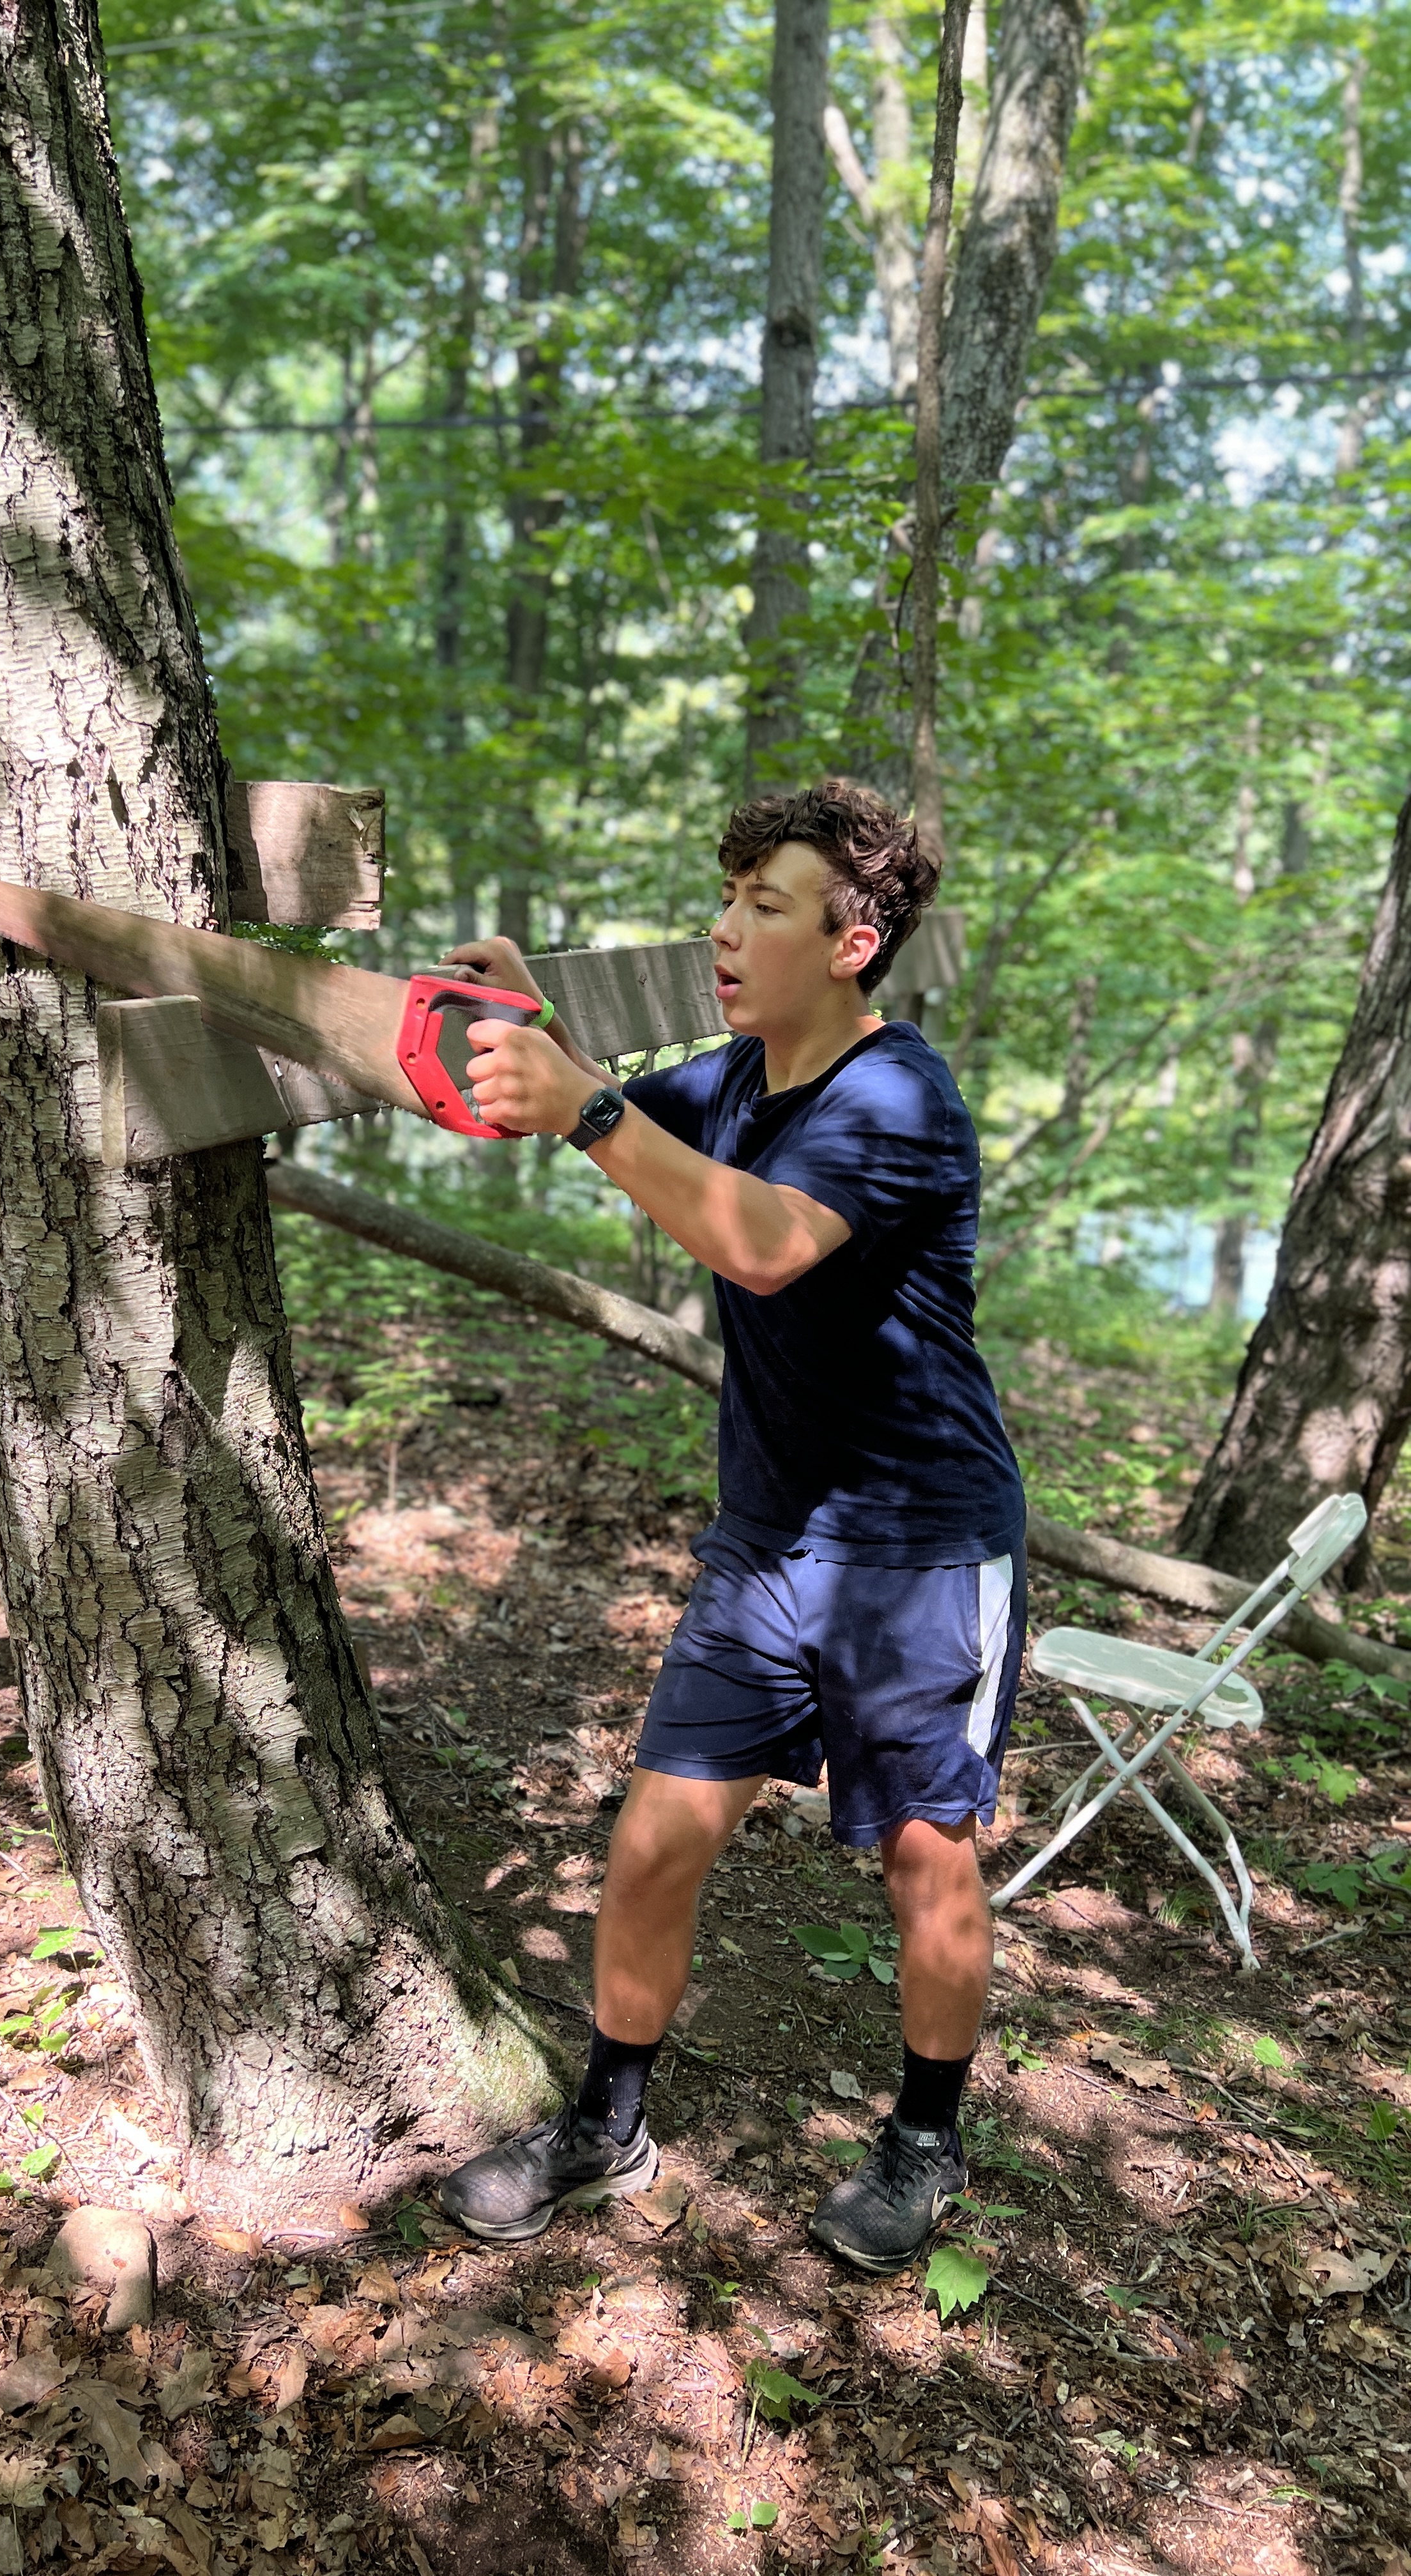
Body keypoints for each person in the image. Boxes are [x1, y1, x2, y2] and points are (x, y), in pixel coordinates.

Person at [432, 781, 1025, 2275]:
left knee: (923, 1857)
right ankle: (604, 2125)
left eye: (769, 904)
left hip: (921, 1548)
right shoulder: (738, 1078)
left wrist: (587, 1102)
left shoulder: (900, 1100)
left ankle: (926, 2141)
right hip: (769, 1547)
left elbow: (757, 1243)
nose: (726, 927)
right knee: (656, 1840)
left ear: (853, 940)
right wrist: (518, 1028)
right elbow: (618, 1121)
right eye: (731, 895)